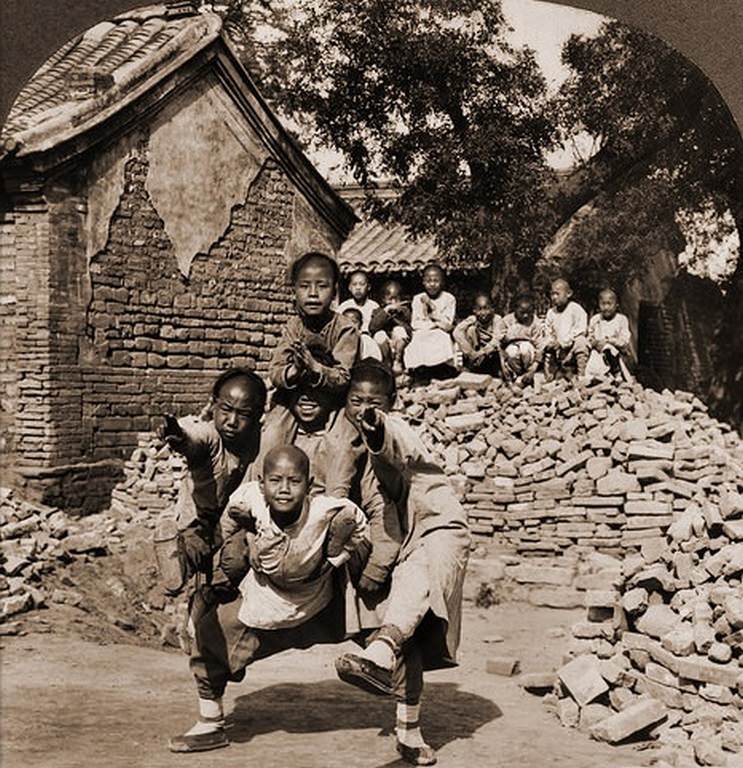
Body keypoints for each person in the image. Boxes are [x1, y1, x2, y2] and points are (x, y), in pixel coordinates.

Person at [169, 446, 368, 754]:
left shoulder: (325, 508)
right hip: (265, 594)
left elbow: (359, 523)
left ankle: (409, 724)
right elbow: (226, 521)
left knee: (381, 632)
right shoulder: (250, 498)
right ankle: (210, 725)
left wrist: (336, 559)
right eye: (275, 480)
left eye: (294, 481)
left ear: (310, 484)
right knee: (212, 634)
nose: (285, 489)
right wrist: (228, 546)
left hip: (316, 594)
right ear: (262, 483)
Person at [333, 360, 471, 766]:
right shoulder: (338, 439)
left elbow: (395, 446)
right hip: (381, 542)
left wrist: (379, 430)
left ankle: (409, 730)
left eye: (373, 403)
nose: (363, 410)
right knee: (397, 620)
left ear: (391, 404)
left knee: (413, 592)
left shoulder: (398, 430)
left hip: (433, 528)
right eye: (355, 401)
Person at [153, 368, 266, 597]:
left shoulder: (260, 441)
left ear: (256, 416)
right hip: (201, 520)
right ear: (213, 404)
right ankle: (180, 564)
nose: (232, 421)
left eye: (243, 414)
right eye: (226, 409)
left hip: (238, 522)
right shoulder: (210, 436)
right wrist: (179, 438)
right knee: (195, 544)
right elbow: (194, 441)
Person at [259, 250, 360, 486]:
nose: (313, 294)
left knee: (341, 444)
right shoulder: (293, 326)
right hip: (295, 397)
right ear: (294, 290)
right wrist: (293, 371)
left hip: (331, 400)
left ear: (334, 291)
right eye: (305, 286)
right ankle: (256, 494)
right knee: (271, 434)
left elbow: (343, 377)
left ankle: (337, 500)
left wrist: (315, 368)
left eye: (322, 286)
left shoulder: (345, 329)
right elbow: (275, 372)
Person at [403, 264, 457, 377]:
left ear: (442, 282)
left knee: (442, 338)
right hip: (424, 330)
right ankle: (420, 371)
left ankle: (441, 369)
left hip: (441, 331)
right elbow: (415, 323)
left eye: (436, 281)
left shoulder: (449, 298)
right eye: (428, 281)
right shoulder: (418, 298)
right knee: (418, 339)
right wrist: (434, 325)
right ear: (423, 282)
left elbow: (447, 323)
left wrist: (431, 306)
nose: (432, 284)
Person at [543, 278, 589, 381]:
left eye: (557, 294)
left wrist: (562, 342)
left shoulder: (576, 309)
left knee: (581, 341)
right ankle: (555, 373)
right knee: (543, 345)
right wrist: (551, 342)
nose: (554, 297)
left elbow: (580, 330)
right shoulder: (551, 313)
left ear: (568, 293)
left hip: (571, 350)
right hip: (557, 353)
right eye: (552, 294)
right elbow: (548, 331)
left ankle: (581, 375)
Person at [586, 288, 633, 381]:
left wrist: (609, 341)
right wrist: (594, 342)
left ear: (616, 305)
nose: (606, 307)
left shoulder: (621, 319)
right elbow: (590, 336)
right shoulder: (595, 319)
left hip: (617, 354)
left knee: (608, 348)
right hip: (598, 353)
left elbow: (624, 341)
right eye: (603, 304)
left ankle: (617, 373)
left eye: (609, 304)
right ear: (599, 305)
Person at [452, 292, 503, 376]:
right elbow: (456, 332)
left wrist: (481, 353)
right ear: (474, 310)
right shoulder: (473, 319)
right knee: (470, 330)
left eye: (486, 308)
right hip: (475, 353)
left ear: (492, 309)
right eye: (479, 309)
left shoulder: (497, 319)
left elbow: (496, 340)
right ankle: (470, 367)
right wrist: (470, 352)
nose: (483, 313)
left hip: (490, 354)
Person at [499, 292, 545, 385]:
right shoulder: (507, 321)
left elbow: (540, 346)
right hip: (511, 355)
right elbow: (498, 345)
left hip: (529, 354)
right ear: (515, 310)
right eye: (522, 313)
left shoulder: (535, 322)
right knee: (512, 351)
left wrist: (534, 368)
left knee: (525, 348)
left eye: (528, 312)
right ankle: (515, 375)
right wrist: (503, 366)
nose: (525, 316)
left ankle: (527, 375)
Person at [369, 279, 412, 375]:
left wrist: (395, 316)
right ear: (383, 299)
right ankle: (386, 362)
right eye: (390, 299)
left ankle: (398, 360)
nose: (393, 302)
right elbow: (373, 328)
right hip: (385, 346)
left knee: (399, 330)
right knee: (379, 335)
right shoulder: (378, 311)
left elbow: (408, 330)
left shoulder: (404, 311)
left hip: (399, 345)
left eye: (396, 299)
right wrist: (386, 311)